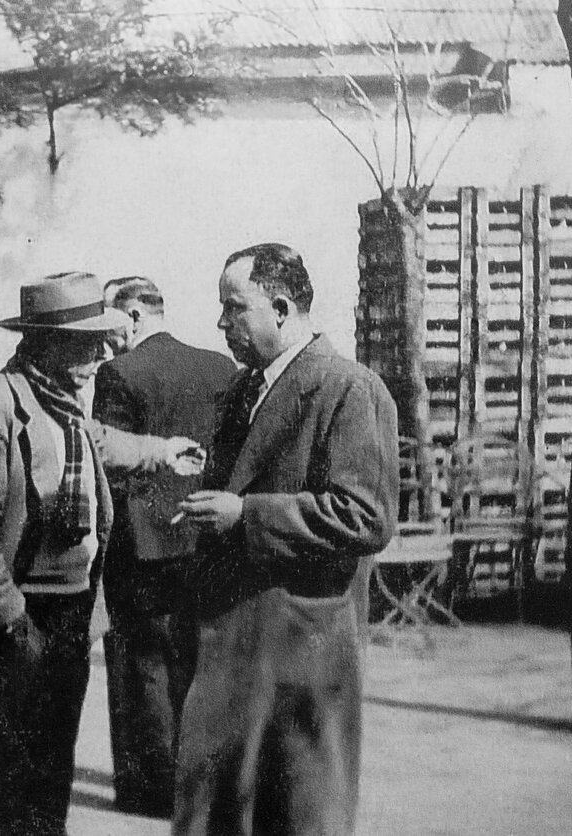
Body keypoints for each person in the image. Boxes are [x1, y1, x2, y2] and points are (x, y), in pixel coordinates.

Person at [173, 244, 399, 835]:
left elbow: (366, 516)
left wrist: (244, 514)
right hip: (236, 640)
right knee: (220, 814)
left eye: (234, 308)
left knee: (297, 815)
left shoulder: (349, 389)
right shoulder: (246, 390)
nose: (223, 324)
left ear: (281, 306)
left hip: (303, 647)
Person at [0, 271, 124, 836]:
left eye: (104, 341)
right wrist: (13, 625)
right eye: (88, 343)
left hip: (72, 611)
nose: (101, 355)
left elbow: (103, 454)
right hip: (18, 614)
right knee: (0, 777)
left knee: (49, 775)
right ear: (46, 341)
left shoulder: (67, 406)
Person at [93, 276, 236, 817]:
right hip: (205, 536)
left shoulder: (119, 373)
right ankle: (202, 783)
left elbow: (111, 461)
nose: (106, 342)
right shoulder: (219, 367)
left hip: (144, 545)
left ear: (132, 316)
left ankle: (149, 789)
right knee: (197, 664)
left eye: (111, 326)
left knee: (140, 667)